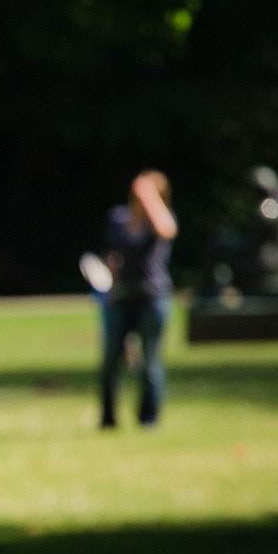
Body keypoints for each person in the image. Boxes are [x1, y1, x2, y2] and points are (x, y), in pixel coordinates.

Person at [99, 170, 178, 429]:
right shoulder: (118, 218)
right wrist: (108, 287)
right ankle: (108, 419)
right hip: (121, 297)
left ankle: (148, 419)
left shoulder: (162, 218)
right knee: (111, 360)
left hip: (152, 298)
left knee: (150, 362)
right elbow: (112, 257)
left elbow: (166, 230)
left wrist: (150, 197)